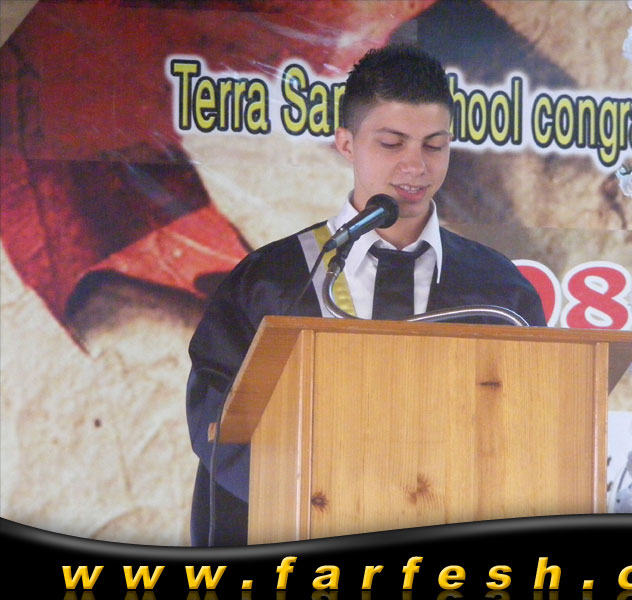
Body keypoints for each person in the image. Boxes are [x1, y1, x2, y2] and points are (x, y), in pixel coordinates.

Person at [186, 44, 546, 546]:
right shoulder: (272, 280)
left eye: (434, 145)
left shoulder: (498, 290)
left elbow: (531, 428)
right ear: (347, 143)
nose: (415, 167)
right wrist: (317, 498)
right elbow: (219, 424)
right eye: (392, 144)